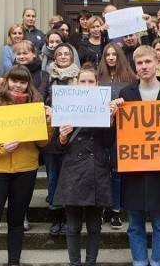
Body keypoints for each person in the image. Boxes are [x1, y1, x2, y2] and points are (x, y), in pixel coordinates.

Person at [0, 64, 54, 266]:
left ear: (28, 84)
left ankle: (13, 262)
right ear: (6, 81)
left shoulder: (36, 104)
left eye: (22, 82)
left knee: (16, 223)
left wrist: (50, 122)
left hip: (26, 170)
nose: (18, 85)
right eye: (14, 80)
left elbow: (43, 142)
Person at [114, 45, 160, 266]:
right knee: (134, 224)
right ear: (135, 67)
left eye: (147, 62)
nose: (144, 67)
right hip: (134, 169)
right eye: (139, 63)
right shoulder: (126, 94)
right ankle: (140, 262)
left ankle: (159, 262)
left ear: (157, 64)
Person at [52, 65, 119, 266]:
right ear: (76, 83)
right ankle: (75, 263)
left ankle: (90, 263)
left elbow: (108, 143)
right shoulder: (65, 103)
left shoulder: (103, 105)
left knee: (94, 226)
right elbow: (56, 146)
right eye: (83, 81)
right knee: (72, 226)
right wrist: (63, 136)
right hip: (73, 170)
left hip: (96, 169)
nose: (87, 85)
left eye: (91, 81)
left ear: (97, 84)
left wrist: (111, 118)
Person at [96, 42, 137, 229]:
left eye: (114, 54)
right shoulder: (98, 77)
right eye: (107, 55)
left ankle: (116, 210)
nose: (111, 57)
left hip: (122, 130)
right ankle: (103, 206)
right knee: (101, 170)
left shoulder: (130, 78)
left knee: (117, 171)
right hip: (101, 129)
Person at [44, 42, 81, 235]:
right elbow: (40, 103)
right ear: (55, 58)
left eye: (67, 53)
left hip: (74, 135)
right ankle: (55, 216)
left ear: (72, 57)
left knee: (70, 178)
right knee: (53, 179)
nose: (64, 56)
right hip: (52, 135)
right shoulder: (47, 79)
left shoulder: (80, 79)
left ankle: (68, 216)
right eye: (60, 54)